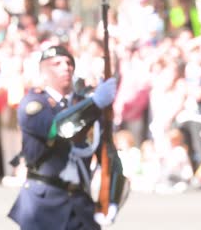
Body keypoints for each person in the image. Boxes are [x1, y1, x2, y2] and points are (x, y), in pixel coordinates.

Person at [8, 45, 127, 230]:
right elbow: (58, 128)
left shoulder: (87, 104)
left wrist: (112, 200)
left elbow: (109, 154)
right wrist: (94, 103)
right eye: (57, 63)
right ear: (43, 72)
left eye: (69, 62)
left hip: (80, 204)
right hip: (44, 204)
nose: (66, 67)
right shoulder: (33, 103)